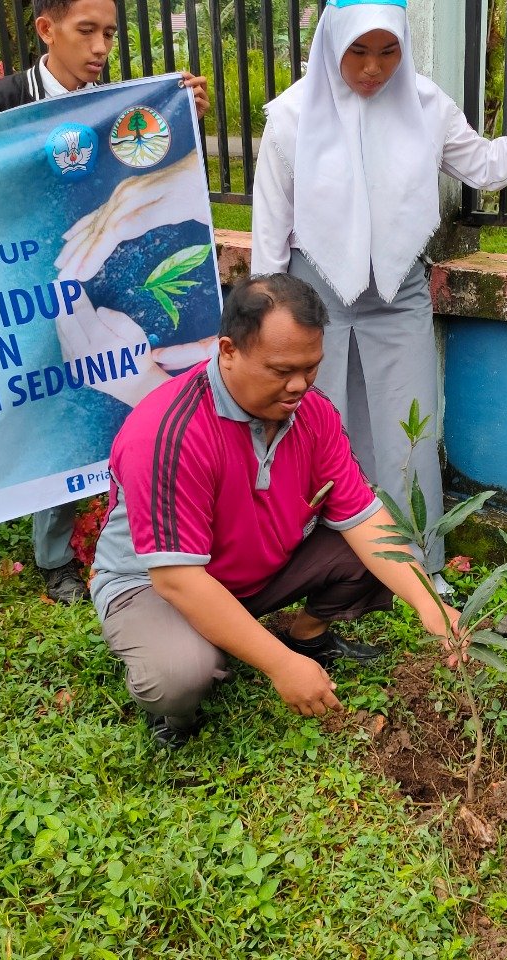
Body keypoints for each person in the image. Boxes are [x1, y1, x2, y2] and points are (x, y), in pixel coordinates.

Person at [250, 0, 507, 580]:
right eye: (358, 53)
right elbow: (269, 237)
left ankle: (417, 566)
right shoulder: (290, 117)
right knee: (315, 430)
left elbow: (488, 167)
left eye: (388, 52)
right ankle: (320, 571)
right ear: (332, 45)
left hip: (398, 292)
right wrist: (269, 323)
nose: (373, 69)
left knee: (409, 429)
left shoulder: (426, 106)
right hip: (312, 299)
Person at [90, 274, 465, 746]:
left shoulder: (311, 411)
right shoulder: (170, 434)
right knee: (180, 674)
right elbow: (177, 579)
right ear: (228, 350)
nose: (299, 386)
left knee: (376, 549)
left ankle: (304, 636)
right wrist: (280, 666)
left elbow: (364, 517)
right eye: (280, 369)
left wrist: (429, 604)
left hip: (251, 572)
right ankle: (175, 706)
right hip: (155, 584)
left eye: (311, 367)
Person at [0, 0, 211, 602]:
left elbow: (146, 167)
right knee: (58, 406)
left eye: (108, 33)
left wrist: (183, 116)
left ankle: (128, 537)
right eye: (87, 32)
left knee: (113, 402)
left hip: (103, 274)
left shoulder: (123, 104)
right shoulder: (6, 100)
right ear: (46, 30)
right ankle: (55, 553)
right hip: (34, 283)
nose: (101, 47)